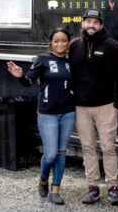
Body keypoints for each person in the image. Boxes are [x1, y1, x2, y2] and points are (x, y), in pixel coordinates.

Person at [7, 28, 74, 205]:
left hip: (68, 113)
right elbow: (29, 82)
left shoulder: (70, 63)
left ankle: (55, 190)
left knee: (61, 153)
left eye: (64, 40)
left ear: (68, 43)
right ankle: (43, 178)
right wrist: (20, 76)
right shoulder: (42, 59)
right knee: (50, 154)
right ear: (51, 43)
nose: (60, 44)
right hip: (47, 114)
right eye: (56, 41)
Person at [69, 8, 118, 206]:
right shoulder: (75, 46)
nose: (91, 25)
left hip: (106, 106)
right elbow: (70, 75)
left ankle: (112, 188)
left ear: (101, 25)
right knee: (87, 148)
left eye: (95, 22)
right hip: (82, 107)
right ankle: (92, 188)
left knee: (109, 148)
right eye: (88, 21)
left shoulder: (113, 46)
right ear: (83, 24)